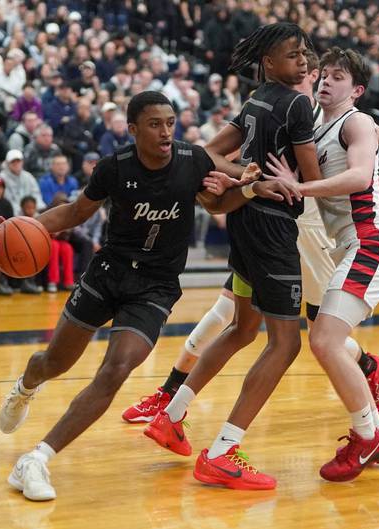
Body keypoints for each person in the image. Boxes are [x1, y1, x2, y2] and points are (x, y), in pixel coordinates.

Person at [0, 91, 291, 501]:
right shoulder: (114, 168)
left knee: (117, 369)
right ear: (133, 130)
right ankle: (27, 385)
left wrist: (254, 189)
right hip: (108, 274)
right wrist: (20, 226)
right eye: (155, 124)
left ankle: (37, 458)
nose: (166, 131)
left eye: (170, 122)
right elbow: (74, 213)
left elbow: (219, 202)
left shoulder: (192, 161)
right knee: (54, 362)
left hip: (156, 285)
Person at [143, 23, 323, 490]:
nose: (302, 61)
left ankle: (171, 415)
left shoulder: (258, 97)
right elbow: (310, 175)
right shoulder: (299, 104)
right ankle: (224, 450)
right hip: (273, 227)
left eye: (305, 54)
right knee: (285, 344)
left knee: (243, 328)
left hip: (244, 219)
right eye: (292, 55)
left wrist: (245, 177)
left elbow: (206, 153)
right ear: (268, 62)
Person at [263, 47, 379, 481]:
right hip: (349, 244)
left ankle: (367, 437)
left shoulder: (356, 121)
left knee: (323, 340)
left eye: (337, 77)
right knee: (323, 337)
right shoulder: (319, 128)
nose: (325, 81)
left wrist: (300, 188)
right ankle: (378, 437)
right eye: (323, 74)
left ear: (356, 90)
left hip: (370, 241)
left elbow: (361, 177)